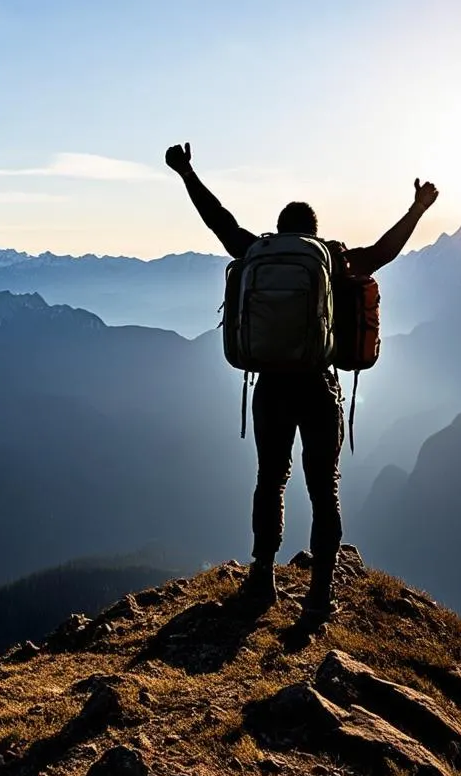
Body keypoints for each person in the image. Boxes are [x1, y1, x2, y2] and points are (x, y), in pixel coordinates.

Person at [165, 141, 438, 617]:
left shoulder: (255, 251)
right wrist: (417, 208)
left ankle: (263, 575)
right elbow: (383, 252)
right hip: (317, 387)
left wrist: (187, 173)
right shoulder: (332, 258)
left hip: (270, 386)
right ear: (312, 231)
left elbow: (220, 220)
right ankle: (320, 593)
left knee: (270, 480)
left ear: (279, 230)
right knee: (323, 487)